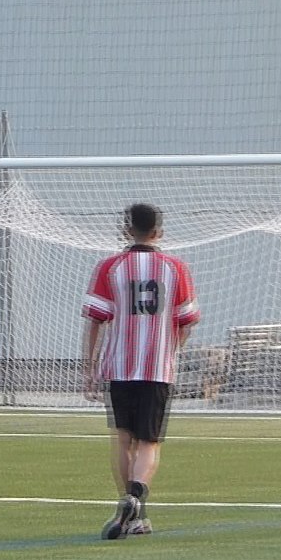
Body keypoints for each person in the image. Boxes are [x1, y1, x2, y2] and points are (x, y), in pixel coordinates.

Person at [83, 204, 199, 539]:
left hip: (119, 365)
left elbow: (95, 320)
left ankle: (131, 510)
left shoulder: (110, 267)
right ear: (159, 231)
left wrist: (89, 366)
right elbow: (186, 320)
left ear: (125, 229)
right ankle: (136, 499)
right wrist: (172, 348)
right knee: (149, 442)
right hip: (157, 367)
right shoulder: (176, 268)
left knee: (123, 439)